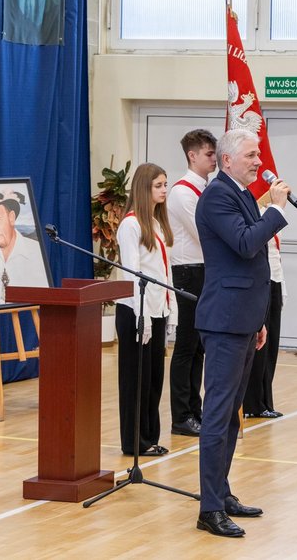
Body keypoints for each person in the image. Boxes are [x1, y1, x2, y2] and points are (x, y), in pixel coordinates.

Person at [193, 128, 290, 537]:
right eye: (251, 155)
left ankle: (222, 492)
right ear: (228, 160)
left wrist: (259, 320)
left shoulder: (243, 194)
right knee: (217, 416)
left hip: (244, 320)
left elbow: (252, 262)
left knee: (232, 416)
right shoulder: (218, 196)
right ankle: (209, 508)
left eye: (258, 154)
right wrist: (276, 209)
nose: (258, 161)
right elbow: (246, 244)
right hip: (223, 321)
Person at [114, 163, 178, 458]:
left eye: (165, 184)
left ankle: (150, 437)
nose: (164, 190)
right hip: (136, 312)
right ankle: (134, 442)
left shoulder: (155, 223)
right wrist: (143, 317)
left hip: (156, 309)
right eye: (159, 185)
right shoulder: (131, 225)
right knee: (135, 380)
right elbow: (132, 272)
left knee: (153, 379)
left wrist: (170, 309)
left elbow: (164, 271)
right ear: (144, 188)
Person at [168, 129, 217, 438]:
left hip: (204, 270)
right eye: (209, 154)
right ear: (192, 155)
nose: (214, 159)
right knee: (186, 345)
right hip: (188, 271)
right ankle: (181, 415)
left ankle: (195, 410)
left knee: (199, 345)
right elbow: (204, 234)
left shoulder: (205, 189)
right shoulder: (183, 192)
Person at [0, 189, 48, 307]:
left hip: (30, 316)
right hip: (0, 317)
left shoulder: (35, 251)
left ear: (11, 218)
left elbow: (44, 298)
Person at [243, 222, 285, 420]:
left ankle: (265, 401)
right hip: (261, 280)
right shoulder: (256, 216)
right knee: (259, 344)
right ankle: (252, 402)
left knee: (271, 344)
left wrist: (282, 287)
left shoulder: (270, 215)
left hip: (275, 278)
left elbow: (276, 254)